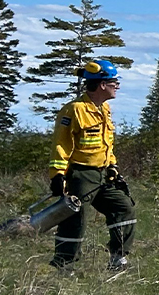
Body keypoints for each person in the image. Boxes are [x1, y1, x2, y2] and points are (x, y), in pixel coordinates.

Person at [48, 59, 137, 271]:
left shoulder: (104, 109)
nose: (117, 86)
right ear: (101, 84)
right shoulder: (74, 110)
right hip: (80, 175)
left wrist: (112, 166)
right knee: (75, 220)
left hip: (103, 174)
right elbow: (61, 143)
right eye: (113, 81)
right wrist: (58, 175)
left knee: (123, 207)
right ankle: (64, 265)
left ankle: (118, 259)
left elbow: (106, 142)